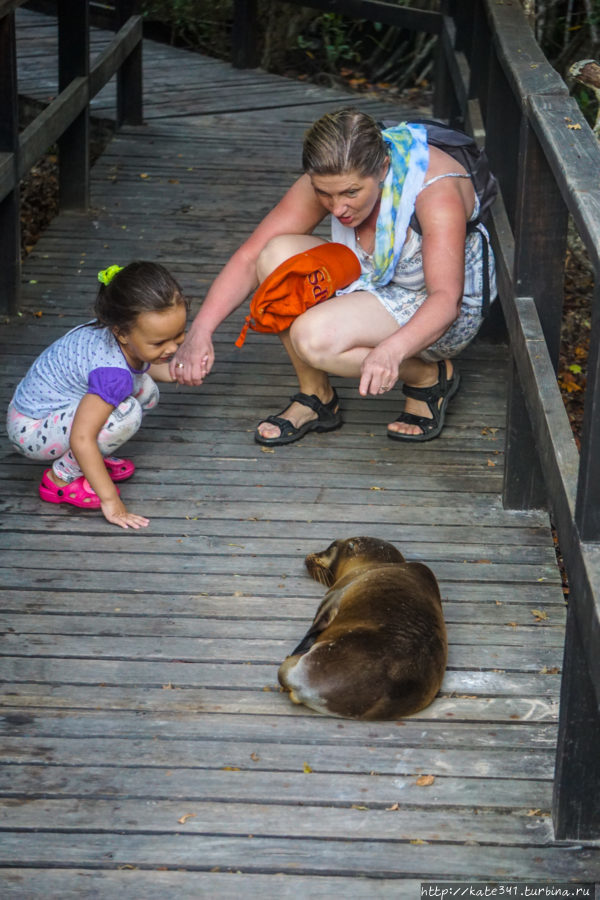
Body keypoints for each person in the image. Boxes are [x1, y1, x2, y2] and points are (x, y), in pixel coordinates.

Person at [170, 107, 496, 445]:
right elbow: (252, 255)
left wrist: (392, 350)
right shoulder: (331, 176)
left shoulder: (435, 192)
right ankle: (317, 397)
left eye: (351, 193)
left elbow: (446, 300)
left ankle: (429, 375)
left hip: (438, 307)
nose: (337, 208)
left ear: (382, 168)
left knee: (313, 338)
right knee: (275, 257)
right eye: (325, 194)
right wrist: (201, 332)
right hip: (371, 277)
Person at [6, 261, 189, 529]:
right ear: (122, 333)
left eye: (179, 335)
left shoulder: (118, 332)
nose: (172, 348)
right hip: (31, 429)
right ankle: (61, 478)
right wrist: (111, 501)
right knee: (126, 414)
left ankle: (92, 461)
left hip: (46, 411)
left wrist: (182, 370)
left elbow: (146, 366)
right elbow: (81, 437)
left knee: (146, 389)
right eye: (159, 342)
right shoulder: (111, 372)